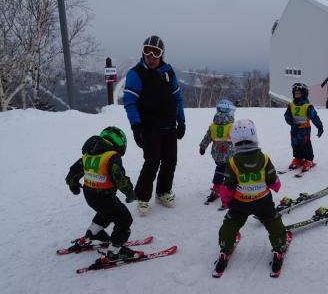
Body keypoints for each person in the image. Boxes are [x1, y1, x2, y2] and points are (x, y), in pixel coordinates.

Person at [214, 119, 287, 275]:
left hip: (240, 203)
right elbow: (273, 179)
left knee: (231, 224)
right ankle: (279, 246)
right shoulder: (264, 158)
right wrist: (276, 187)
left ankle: (224, 248)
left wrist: (226, 202)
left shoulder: (232, 162)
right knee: (272, 220)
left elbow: (227, 186)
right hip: (263, 201)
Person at [123, 35, 186, 216]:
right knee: (152, 162)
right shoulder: (136, 73)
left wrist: (181, 120)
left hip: (169, 126)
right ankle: (142, 198)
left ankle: (163, 192)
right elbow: (130, 103)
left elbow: (177, 98)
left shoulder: (168, 71)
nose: (150, 57)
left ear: (161, 54)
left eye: (155, 53)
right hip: (149, 128)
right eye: (147, 52)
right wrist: (136, 126)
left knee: (170, 160)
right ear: (143, 53)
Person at [65, 127, 138, 263]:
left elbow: (73, 172)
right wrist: (129, 192)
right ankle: (115, 251)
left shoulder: (89, 154)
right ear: (119, 142)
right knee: (124, 219)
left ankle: (93, 233)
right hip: (104, 196)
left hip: (90, 196)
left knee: (105, 212)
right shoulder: (111, 156)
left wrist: (73, 185)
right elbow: (118, 177)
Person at [199, 99, 236, 207]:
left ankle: (216, 187)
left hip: (216, 154)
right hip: (229, 155)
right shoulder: (231, 126)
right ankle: (229, 189)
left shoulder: (213, 126)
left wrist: (202, 147)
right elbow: (239, 139)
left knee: (220, 169)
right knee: (230, 171)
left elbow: (207, 137)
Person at [285, 83, 323, 171]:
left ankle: (309, 160)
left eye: (299, 93)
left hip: (304, 129)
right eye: (295, 93)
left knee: (305, 144)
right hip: (294, 129)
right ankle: (298, 158)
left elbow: (314, 117)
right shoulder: (291, 105)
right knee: (295, 144)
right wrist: (290, 121)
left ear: (304, 94)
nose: (297, 95)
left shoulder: (307, 106)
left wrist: (320, 127)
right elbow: (287, 115)